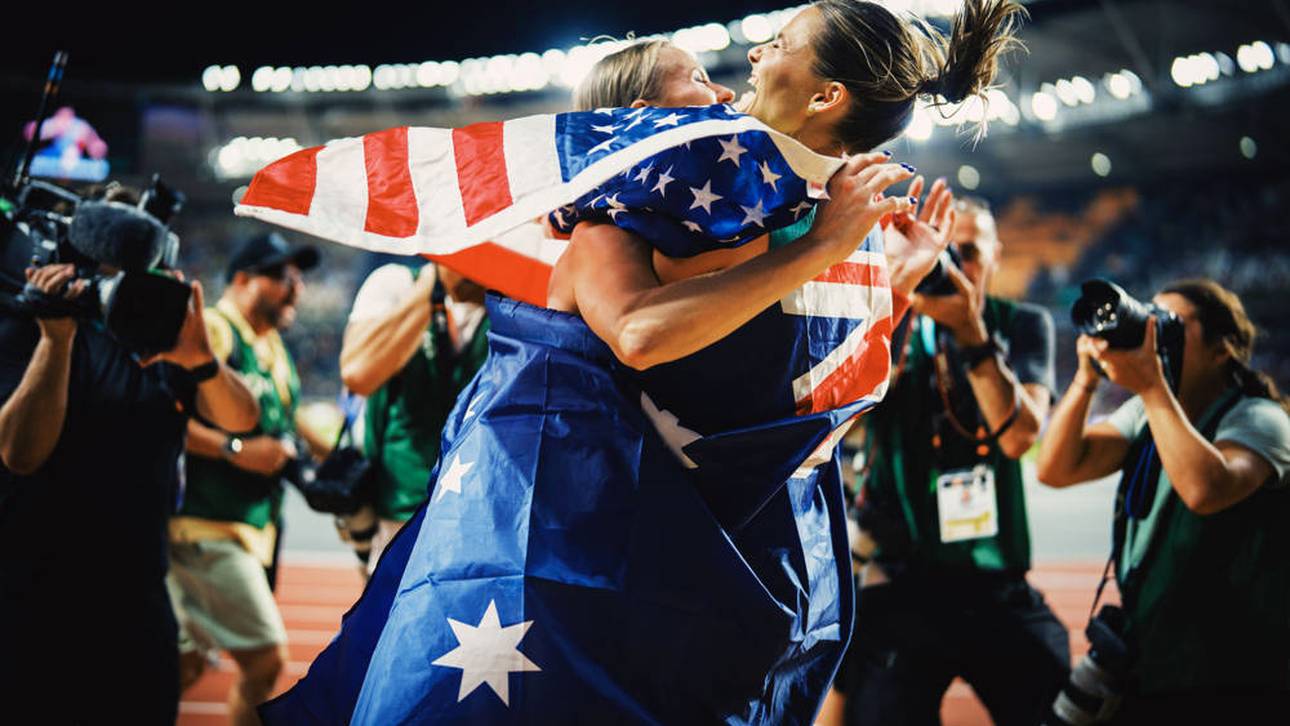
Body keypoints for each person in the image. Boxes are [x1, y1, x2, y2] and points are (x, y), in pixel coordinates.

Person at [263, 3, 1023, 722]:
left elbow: (787, 376)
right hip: (562, 547)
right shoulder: (627, 200)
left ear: (828, 95)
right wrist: (829, 251)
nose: (737, 73)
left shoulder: (801, 211)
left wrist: (884, 278)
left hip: (672, 566)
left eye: (778, 44)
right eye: (696, 80)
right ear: (637, 119)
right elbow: (639, 334)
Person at [824, 196, 1068, 725]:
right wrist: (892, 305)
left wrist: (971, 335)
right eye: (946, 254)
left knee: (1058, 706)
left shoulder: (1022, 323)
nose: (957, 267)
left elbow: (1020, 437)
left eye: (971, 254)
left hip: (995, 577)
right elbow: (845, 422)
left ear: (997, 256)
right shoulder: (894, 324)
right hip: (905, 578)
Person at [0, 260, 260, 723]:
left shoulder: (162, 340)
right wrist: (55, 341)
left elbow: (242, 416)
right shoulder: (37, 323)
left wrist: (202, 360)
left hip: (138, 592)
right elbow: (20, 452)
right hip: (38, 596)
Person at [1036, 279, 1290, 721]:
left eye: (1171, 324)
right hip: (1153, 661)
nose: (1155, 331)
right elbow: (1057, 468)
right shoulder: (1145, 413)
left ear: (1221, 349)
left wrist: (1153, 387)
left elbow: (1205, 490)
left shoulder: (1261, 419)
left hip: (1233, 675)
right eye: (1149, 317)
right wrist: (1085, 379)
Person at [167, 231, 326, 725]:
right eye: (280, 275)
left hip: (250, 524)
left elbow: (282, 417)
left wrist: (335, 454)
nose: (294, 287)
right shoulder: (214, 330)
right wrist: (234, 449)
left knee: (186, 663)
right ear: (241, 279)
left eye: (297, 276)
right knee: (266, 659)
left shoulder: (270, 342)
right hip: (205, 522)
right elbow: (166, 413)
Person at [339, 261, 489, 574]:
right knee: (388, 619)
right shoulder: (396, 283)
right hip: (400, 509)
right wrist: (434, 284)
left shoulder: (516, 297)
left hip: (484, 513)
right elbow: (358, 372)